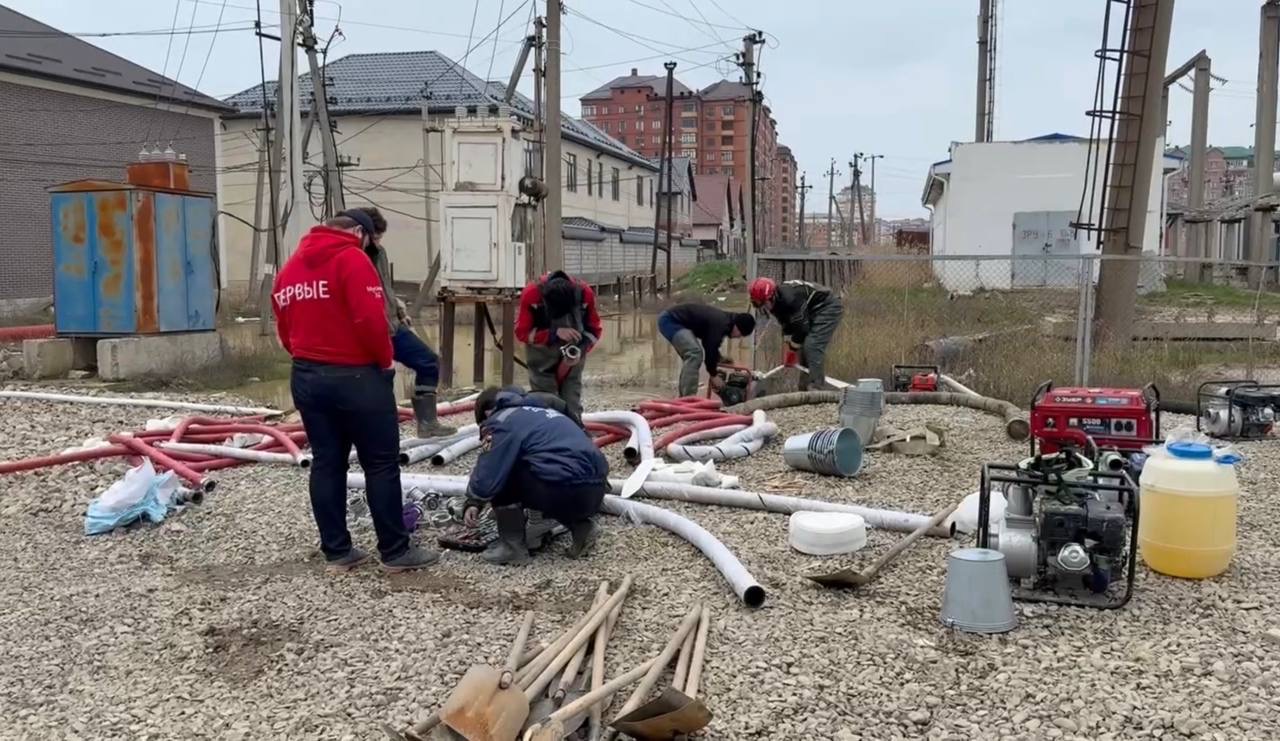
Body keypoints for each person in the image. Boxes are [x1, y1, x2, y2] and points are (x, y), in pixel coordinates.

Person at [272, 211, 437, 573]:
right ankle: (395, 552)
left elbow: (283, 327)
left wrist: (307, 356)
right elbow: (370, 319)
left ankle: (337, 552)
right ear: (359, 233)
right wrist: (384, 363)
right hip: (356, 376)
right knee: (379, 463)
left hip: (307, 376)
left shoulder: (289, 270)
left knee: (327, 463)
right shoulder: (352, 260)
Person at [462, 386, 608, 565]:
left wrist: (473, 501)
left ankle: (511, 548)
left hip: (560, 487)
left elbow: (490, 469)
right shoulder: (545, 411)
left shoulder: (502, 419)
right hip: (595, 491)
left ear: (487, 412)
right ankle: (581, 528)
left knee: (506, 470)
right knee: (551, 470)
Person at [347, 207, 455, 439]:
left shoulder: (380, 253)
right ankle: (369, 430)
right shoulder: (349, 258)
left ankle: (427, 423)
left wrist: (397, 309)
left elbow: (385, 288)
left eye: (379, 238)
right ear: (361, 232)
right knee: (377, 379)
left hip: (392, 327)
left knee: (429, 362)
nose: (376, 242)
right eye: (374, 237)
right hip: (368, 331)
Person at [514, 270, 603, 420]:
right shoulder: (532, 294)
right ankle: (549, 436)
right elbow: (522, 332)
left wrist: (581, 350)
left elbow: (594, 330)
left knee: (572, 404)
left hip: (573, 355)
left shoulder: (584, 294)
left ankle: (575, 432)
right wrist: (553, 333)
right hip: (541, 360)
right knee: (547, 406)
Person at [748, 277, 845, 390]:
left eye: (764, 303)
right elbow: (787, 327)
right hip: (810, 310)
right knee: (804, 348)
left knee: (812, 345)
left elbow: (801, 329)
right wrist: (788, 350)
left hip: (827, 306)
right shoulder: (776, 302)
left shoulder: (791, 299)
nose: (763, 308)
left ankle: (817, 388)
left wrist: (792, 351)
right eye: (758, 304)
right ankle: (804, 388)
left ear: (772, 297)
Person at [656, 303, 756, 397]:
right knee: (694, 353)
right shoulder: (721, 324)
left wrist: (719, 359)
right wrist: (714, 375)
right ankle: (688, 399)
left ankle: (684, 396)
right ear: (737, 327)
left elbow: (709, 343)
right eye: (740, 334)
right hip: (670, 321)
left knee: (693, 356)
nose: (738, 337)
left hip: (677, 322)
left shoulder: (725, 322)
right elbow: (710, 346)